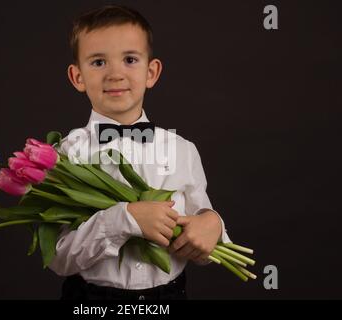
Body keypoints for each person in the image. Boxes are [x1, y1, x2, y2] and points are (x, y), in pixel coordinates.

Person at [48, 5, 231, 300]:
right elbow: (59, 259)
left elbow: (204, 243)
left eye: (130, 59)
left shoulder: (182, 150)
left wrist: (213, 224)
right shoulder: (63, 156)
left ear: (151, 72)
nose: (115, 74)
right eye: (98, 62)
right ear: (77, 77)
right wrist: (125, 219)